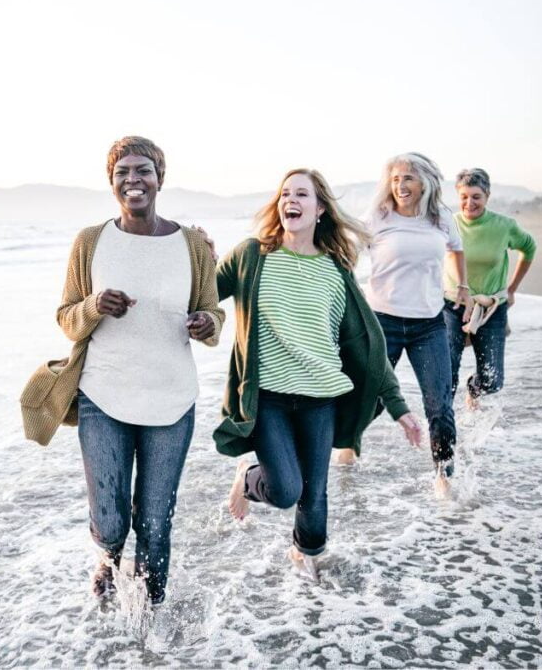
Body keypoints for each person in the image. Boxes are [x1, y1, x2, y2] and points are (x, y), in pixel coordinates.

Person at [41, 136, 223, 605]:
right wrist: (94, 305)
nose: (132, 180)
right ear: (112, 182)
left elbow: (212, 314)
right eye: (122, 173)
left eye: (143, 170)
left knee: (155, 521)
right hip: (104, 395)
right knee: (111, 519)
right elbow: (66, 315)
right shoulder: (90, 241)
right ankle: (105, 565)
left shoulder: (192, 245)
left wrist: (206, 323)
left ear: (160, 177)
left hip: (171, 399)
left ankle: (150, 624)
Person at [216, 168, 422, 581]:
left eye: (302, 194)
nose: (291, 200)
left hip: (321, 397)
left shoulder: (335, 269)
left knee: (315, 493)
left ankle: (307, 557)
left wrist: (400, 408)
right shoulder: (252, 255)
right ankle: (249, 475)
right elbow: (203, 293)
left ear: (320, 208)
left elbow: (366, 344)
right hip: (269, 397)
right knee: (286, 490)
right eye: (285, 194)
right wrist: (196, 254)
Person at [340, 153, 470, 496]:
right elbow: (346, 253)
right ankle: (347, 447)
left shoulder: (442, 217)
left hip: (429, 324)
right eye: (395, 179)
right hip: (383, 322)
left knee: (439, 403)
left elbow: (457, 250)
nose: (401, 186)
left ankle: (444, 474)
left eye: (408, 178)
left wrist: (464, 288)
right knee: (372, 398)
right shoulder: (378, 217)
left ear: (425, 183)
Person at [443, 168, 536, 407]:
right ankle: (444, 426)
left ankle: (473, 389)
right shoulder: (448, 224)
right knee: (446, 371)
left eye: (476, 196)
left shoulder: (504, 225)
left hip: (491, 308)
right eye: (464, 196)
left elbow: (529, 248)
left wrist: (512, 288)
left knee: (493, 380)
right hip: (453, 305)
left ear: (487, 196)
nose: (469, 202)